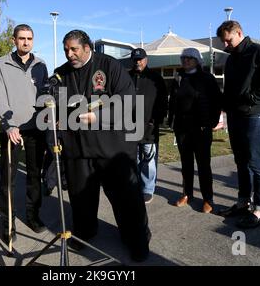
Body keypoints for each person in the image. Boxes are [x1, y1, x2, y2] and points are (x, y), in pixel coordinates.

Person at [54, 30, 150, 262]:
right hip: (78, 149)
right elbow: (56, 106)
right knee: (81, 197)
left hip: (112, 149)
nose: (69, 54)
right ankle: (85, 232)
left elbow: (128, 102)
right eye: (66, 50)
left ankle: (136, 239)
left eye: (74, 49)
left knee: (125, 198)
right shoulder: (61, 74)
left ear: (88, 48)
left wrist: (98, 117)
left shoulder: (110, 66)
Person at [216, 21, 260, 228]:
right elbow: (229, 89)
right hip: (235, 117)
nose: (226, 44)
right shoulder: (231, 59)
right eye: (224, 42)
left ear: (239, 33)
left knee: (256, 164)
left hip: (254, 117)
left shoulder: (258, 52)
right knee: (241, 163)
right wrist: (223, 109)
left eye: (229, 40)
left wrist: (253, 98)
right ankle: (243, 203)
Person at [0, 24, 48, 242]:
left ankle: (33, 216)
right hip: (11, 130)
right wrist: (9, 125)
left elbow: (45, 95)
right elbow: (0, 97)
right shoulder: (1, 63)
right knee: (8, 180)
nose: (26, 42)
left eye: (30, 38)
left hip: (36, 129)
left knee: (34, 176)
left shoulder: (41, 64)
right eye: (22, 38)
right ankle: (8, 225)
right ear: (13, 40)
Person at [167, 48, 222, 213]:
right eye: (183, 58)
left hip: (201, 128)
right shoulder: (178, 78)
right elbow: (172, 102)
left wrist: (211, 122)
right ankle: (187, 194)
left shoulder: (207, 78)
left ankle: (208, 199)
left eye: (189, 58)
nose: (186, 61)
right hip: (182, 128)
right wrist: (171, 121)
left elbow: (217, 101)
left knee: (203, 165)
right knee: (186, 163)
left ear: (197, 60)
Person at [129, 48, 168, 204]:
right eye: (135, 60)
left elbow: (163, 101)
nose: (138, 62)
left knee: (149, 159)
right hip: (130, 126)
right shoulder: (127, 76)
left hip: (149, 128)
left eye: (140, 59)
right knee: (133, 159)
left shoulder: (155, 78)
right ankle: (135, 185)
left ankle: (147, 189)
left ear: (146, 60)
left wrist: (156, 119)